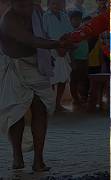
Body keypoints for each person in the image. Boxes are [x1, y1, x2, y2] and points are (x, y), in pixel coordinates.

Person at [0, 0, 71, 171]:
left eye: (28, 5)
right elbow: (30, 40)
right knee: (15, 113)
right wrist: (56, 44)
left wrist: (56, 48)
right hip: (15, 67)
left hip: (37, 66)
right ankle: (17, 157)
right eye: (20, 6)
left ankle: (38, 160)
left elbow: (42, 36)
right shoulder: (8, 19)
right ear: (12, 4)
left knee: (41, 111)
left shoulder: (36, 12)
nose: (25, 10)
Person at [43, 0, 74, 112]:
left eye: (59, 3)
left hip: (64, 51)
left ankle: (57, 104)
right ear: (48, 5)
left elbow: (69, 33)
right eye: (53, 3)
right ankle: (50, 104)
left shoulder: (64, 16)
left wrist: (65, 47)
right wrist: (56, 47)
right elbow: (45, 34)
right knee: (51, 80)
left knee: (63, 79)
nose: (56, 5)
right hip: (51, 52)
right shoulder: (45, 16)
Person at [69, 10, 89, 107]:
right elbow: (70, 49)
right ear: (71, 20)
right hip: (75, 59)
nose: (77, 21)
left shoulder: (83, 31)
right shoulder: (70, 32)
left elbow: (85, 46)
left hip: (84, 59)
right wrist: (72, 61)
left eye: (79, 19)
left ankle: (82, 98)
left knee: (82, 79)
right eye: (75, 19)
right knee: (74, 80)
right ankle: (75, 99)